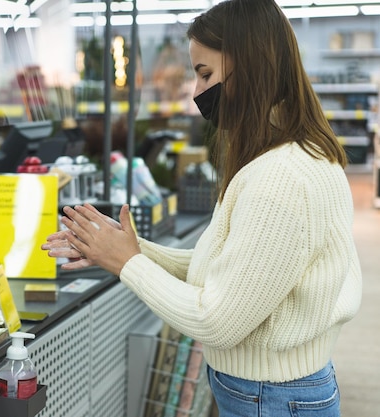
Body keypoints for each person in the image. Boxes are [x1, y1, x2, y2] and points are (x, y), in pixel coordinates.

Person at [41, 1, 362, 415]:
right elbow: (238, 271)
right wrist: (125, 249)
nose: (197, 93)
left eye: (205, 73)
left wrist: (127, 265)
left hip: (270, 398)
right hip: (276, 391)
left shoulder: (281, 180)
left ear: (250, 65)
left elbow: (217, 321)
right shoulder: (297, 157)